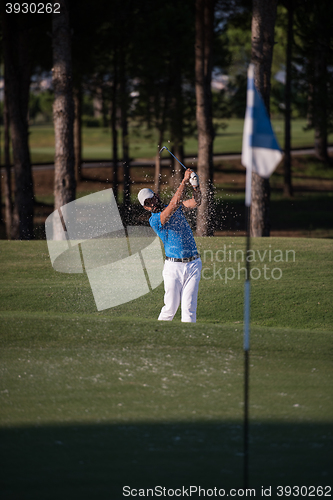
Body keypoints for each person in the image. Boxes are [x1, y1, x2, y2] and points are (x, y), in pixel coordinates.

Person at [138, 168, 202, 323]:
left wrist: (195, 186)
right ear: (145, 208)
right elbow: (171, 207)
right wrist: (183, 182)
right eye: (146, 204)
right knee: (170, 309)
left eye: (151, 199)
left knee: (189, 310)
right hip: (173, 268)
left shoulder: (176, 206)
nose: (151, 204)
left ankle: (188, 343)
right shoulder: (154, 220)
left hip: (193, 264)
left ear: (156, 196)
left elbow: (196, 202)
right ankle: (159, 338)